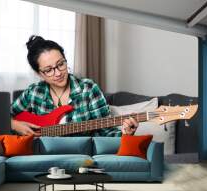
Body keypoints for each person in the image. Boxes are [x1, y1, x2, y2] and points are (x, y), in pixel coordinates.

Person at [10, 35, 138, 136]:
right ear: (39, 74)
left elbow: (105, 132)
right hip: (41, 155)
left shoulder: (88, 89)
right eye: (49, 70)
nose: (58, 73)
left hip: (80, 156)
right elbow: (1, 118)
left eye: (61, 64)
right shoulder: (34, 92)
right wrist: (14, 125)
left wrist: (125, 133)